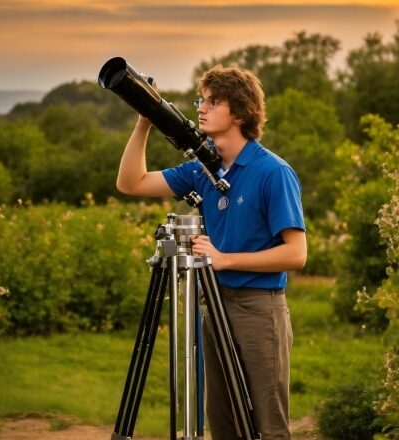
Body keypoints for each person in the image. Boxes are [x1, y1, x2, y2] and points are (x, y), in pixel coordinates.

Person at [116, 64, 307, 440]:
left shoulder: (273, 172)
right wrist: (144, 123)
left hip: (259, 308)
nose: (201, 108)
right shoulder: (204, 170)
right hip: (215, 303)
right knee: (224, 424)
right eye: (201, 100)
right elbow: (131, 182)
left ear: (239, 113)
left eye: (214, 101)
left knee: (268, 426)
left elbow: (295, 254)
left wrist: (223, 258)